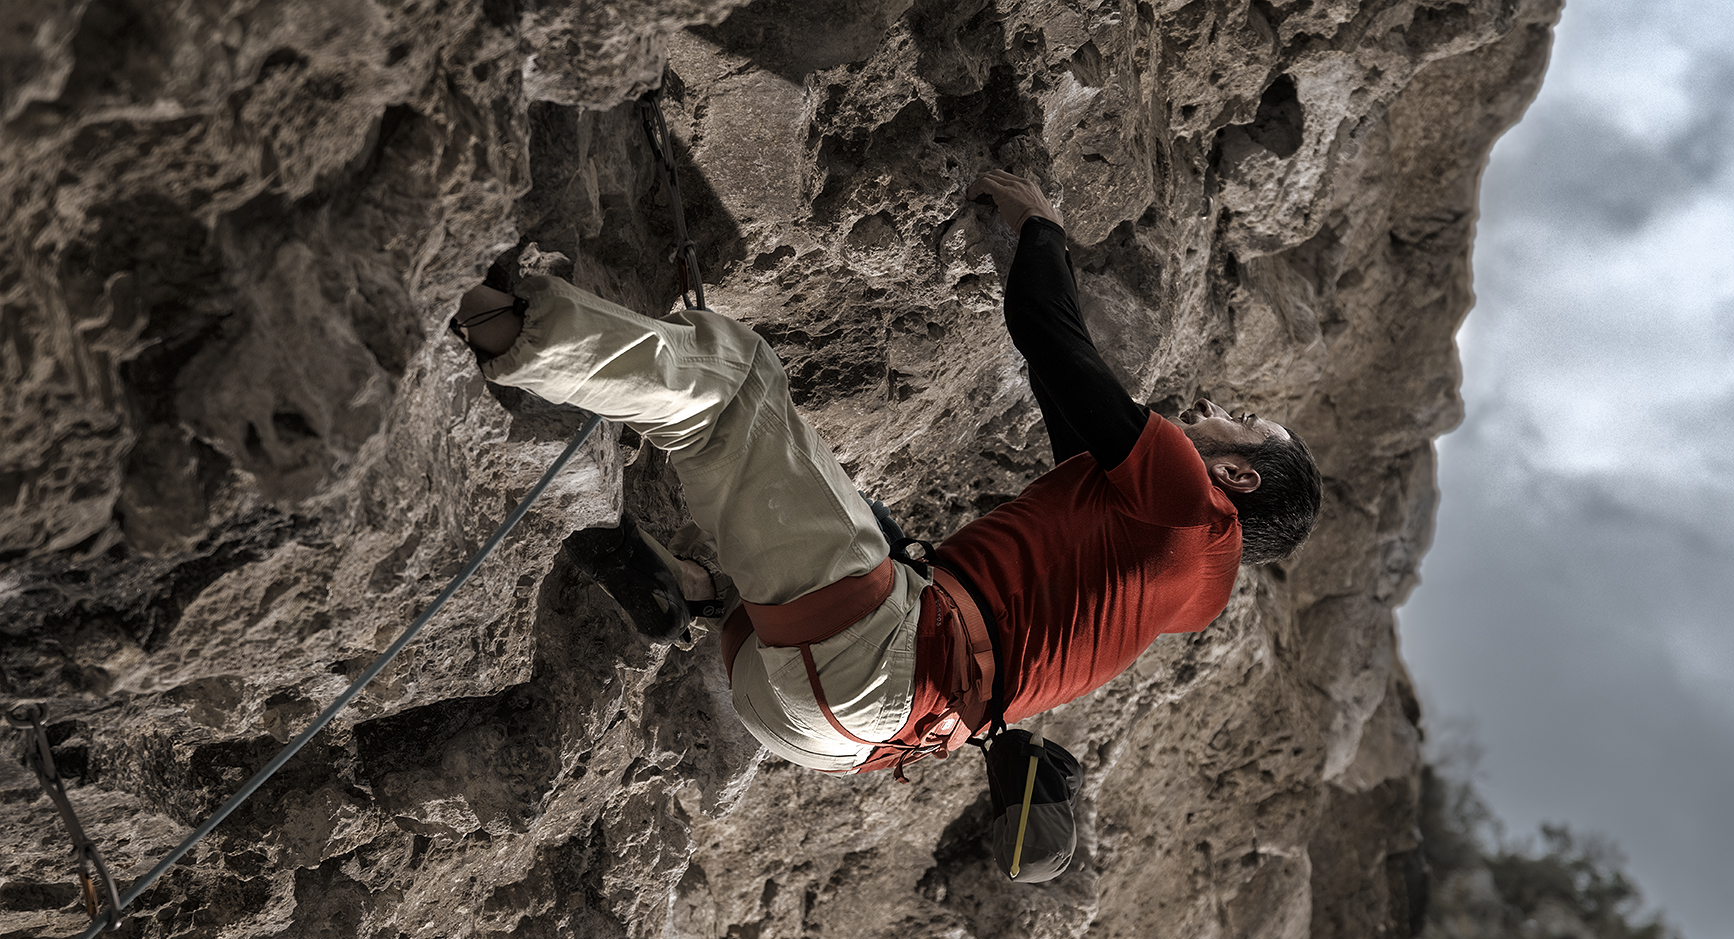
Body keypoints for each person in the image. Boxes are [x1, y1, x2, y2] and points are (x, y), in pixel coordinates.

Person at [450, 169, 1321, 778]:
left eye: (1236, 422)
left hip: (870, 660)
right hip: (829, 730)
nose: (1210, 408)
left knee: (734, 388)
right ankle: (698, 592)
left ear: (1236, 476)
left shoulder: (1191, 506)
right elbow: (1063, 391)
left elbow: (1054, 339)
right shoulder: (1179, 581)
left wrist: (1041, 227)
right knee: (854, 524)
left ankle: (495, 314)